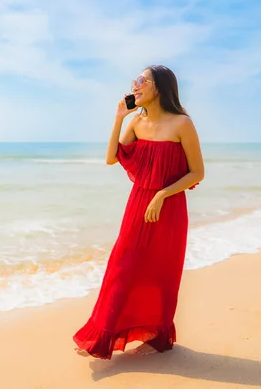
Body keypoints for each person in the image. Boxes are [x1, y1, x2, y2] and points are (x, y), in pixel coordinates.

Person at [73, 65, 205, 359]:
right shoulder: (135, 122)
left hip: (168, 207)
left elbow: (197, 172)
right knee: (123, 267)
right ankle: (103, 335)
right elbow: (111, 158)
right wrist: (119, 119)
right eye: (135, 81)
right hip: (137, 206)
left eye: (142, 81)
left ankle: (156, 331)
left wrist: (162, 194)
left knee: (162, 273)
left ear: (159, 88)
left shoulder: (182, 124)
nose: (136, 85)